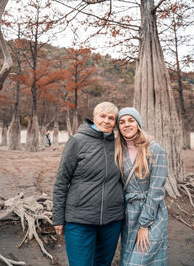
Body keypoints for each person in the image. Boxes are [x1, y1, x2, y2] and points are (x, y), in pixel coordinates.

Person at [53, 102, 124, 266]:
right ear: (94, 117)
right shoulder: (77, 141)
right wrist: (58, 217)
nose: (106, 121)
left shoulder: (119, 144)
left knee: (103, 263)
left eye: (111, 118)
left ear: (115, 122)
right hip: (80, 220)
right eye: (102, 116)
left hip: (112, 221)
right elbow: (62, 181)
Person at [115, 107, 168, 266]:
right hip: (128, 215)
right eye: (122, 122)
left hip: (151, 214)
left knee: (140, 261)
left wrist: (144, 224)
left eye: (131, 120)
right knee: (127, 258)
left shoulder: (154, 149)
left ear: (138, 123)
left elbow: (156, 191)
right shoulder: (118, 150)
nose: (127, 125)